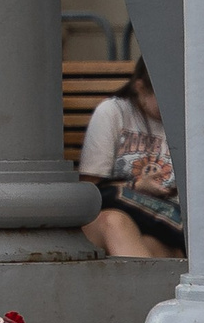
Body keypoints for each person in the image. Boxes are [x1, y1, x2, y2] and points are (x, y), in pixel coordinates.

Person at [78, 59, 184, 258]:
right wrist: (137, 187)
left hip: (166, 229)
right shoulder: (113, 113)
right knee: (114, 222)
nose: (173, 106)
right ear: (140, 88)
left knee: (142, 242)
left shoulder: (186, 119)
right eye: (165, 99)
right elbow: (89, 190)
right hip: (112, 219)